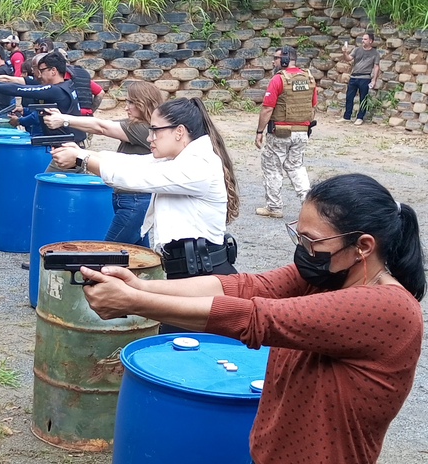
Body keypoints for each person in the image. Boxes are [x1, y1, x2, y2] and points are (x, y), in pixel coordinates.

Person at [78, 173, 424, 464]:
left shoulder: (387, 308)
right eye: (298, 235)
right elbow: (244, 288)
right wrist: (146, 286)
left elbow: (256, 319)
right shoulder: (329, 273)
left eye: (312, 240)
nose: (303, 248)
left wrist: (137, 303)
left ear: (363, 246)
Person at [52, 97, 240, 282]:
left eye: (155, 130)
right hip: (193, 270)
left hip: (205, 275)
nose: (150, 137)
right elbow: (132, 162)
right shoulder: (180, 157)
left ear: (179, 131)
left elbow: (135, 178)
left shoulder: (199, 164)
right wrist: (82, 152)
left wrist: (80, 160)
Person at [43, 81, 161, 246]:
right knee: (137, 258)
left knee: (107, 255)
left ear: (144, 104)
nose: (126, 107)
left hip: (135, 202)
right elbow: (100, 128)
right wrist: (80, 151)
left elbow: (101, 127)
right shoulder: (139, 125)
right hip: (133, 201)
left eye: (132, 102)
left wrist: (64, 120)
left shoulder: (143, 129)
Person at [255, 46, 316, 219]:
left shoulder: (278, 79)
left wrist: (259, 131)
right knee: (296, 166)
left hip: (280, 132)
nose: (273, 61)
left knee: (272, 167)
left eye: (276, 58)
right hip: (302, 132)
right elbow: (313, 106)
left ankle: (274, 207)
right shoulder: (309, 78)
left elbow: (267, 109)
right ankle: (309, 204)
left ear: (284, 60)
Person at [342, 32, 380, 125]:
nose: (363, 41)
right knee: (349, 97)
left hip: (365, 77)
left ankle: (360, 117)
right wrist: (344, 53)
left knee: (363, 99)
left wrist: (374, 79)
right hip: (354, 76)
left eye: (365, 39)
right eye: (362, 39)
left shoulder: (375, 53)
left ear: (371, 41)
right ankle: (347, 117)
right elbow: (348, 58)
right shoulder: (357, 50)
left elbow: (376, 67)